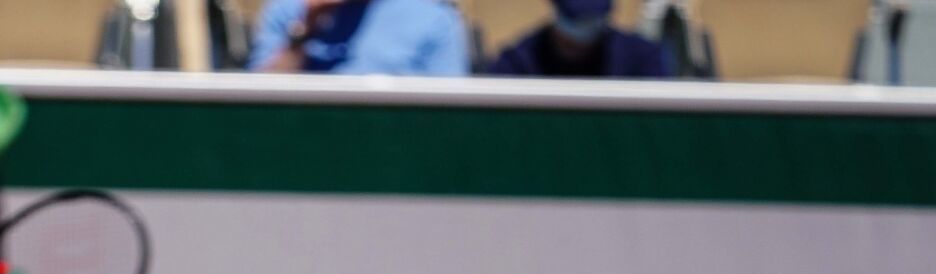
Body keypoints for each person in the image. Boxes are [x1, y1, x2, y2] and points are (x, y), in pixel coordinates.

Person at [247, 0, 470, 76]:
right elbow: (256, 106)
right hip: (299, 150)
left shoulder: (434, 19)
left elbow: (452, 116)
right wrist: (306, 28)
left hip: (396, 159)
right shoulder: (290, 11)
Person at [485, 0, 673, 78]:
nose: (578, 40)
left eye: (590, 21)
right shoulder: (518, 63)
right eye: (575, 20)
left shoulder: (642, 59)